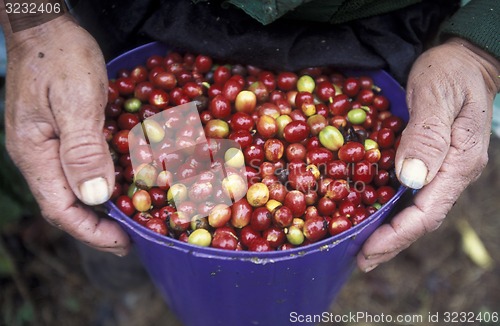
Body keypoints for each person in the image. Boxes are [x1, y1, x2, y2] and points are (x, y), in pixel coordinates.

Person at [0, 0, 498, 279]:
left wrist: (483, 45)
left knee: (301, 265)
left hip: (371, 33)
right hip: (124, 17)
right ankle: (132, 286)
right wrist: (34, 21)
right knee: (107, 192)